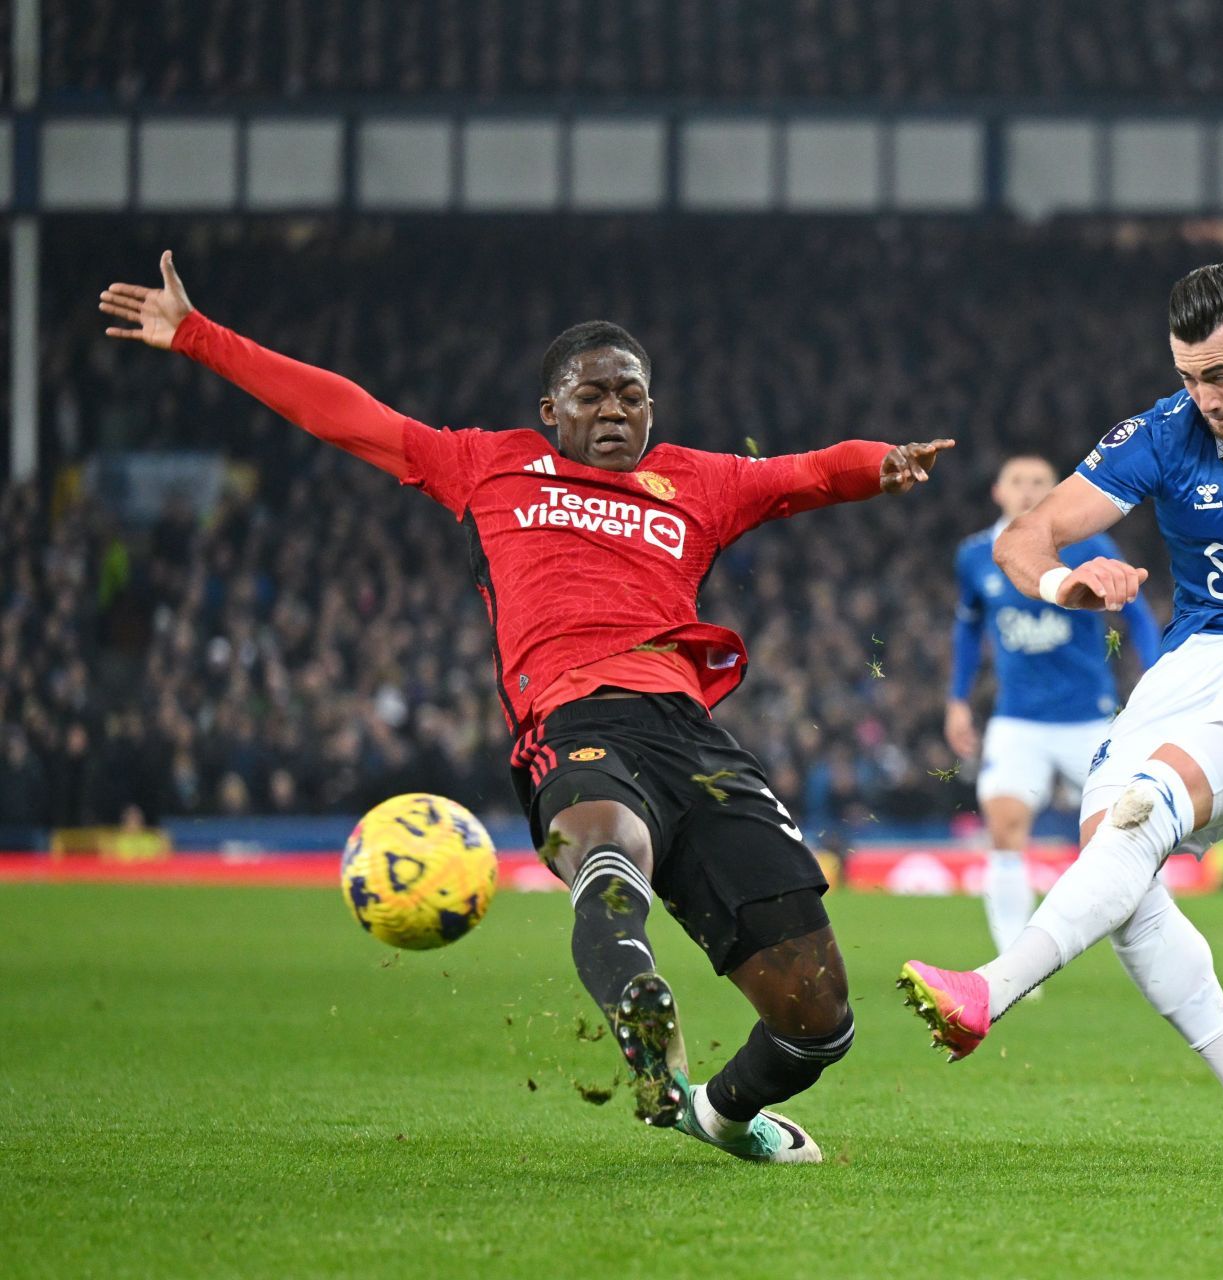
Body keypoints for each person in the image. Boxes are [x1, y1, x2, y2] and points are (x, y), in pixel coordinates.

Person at [101, 252, 953, 1165]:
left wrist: (882, 463)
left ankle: (709, 1114)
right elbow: (346, 415)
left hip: (690, 736)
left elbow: (808, 474)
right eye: (593, 395)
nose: (616, 410)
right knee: (608, 844)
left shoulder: (694, 483)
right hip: (572, 717)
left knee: (817, 1022)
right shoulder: (487, 465)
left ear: (653, 410)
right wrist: (197, 333)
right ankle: (639, 1003)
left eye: (632, 395)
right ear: (551, 411)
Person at [899, 257, 1223, 1181]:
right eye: (1185, 375)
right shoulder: (1163, 432)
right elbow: (1026, 537)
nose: (1200, 396)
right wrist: (1070, 581)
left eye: (1218, 376)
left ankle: (989, 988)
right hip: (1197, 661)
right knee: (1115, 850)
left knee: (1149, 803)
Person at [947, 455, 1160, 964]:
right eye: (1017, 482)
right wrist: (957, 701)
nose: (1027, 491)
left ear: (1055, 491)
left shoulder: (1089, 546)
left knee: (1120, 837)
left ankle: (1147, 950)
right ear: (998, 491)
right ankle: (1012, 960)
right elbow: (967, 627)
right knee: (1004, 828)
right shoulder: (978, 555)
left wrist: (1154, 677)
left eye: (1039, 483)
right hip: (1017, 719)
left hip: (1089, 717)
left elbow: (1140, 617)